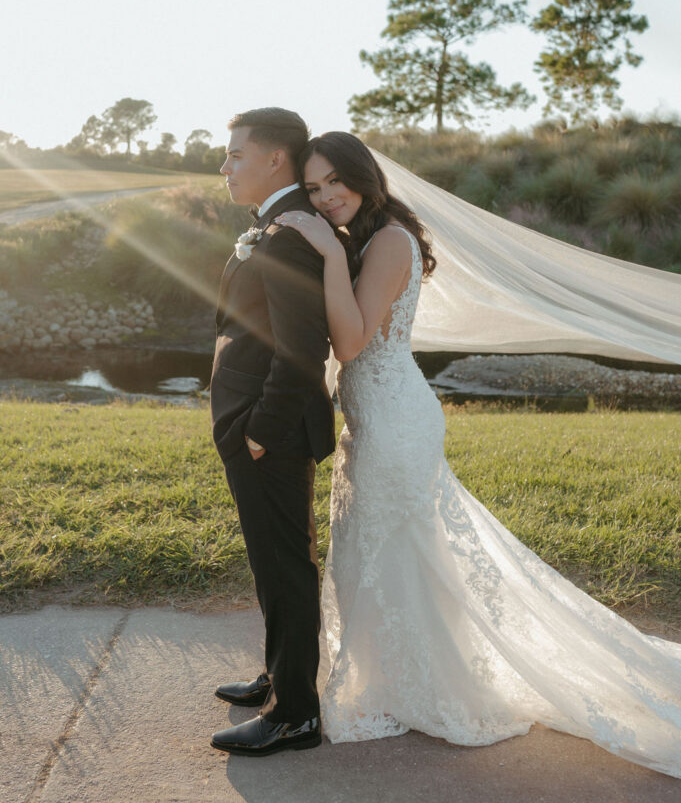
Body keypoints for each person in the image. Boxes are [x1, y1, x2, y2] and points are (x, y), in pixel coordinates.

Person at [275, 130, 681, 779]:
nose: (325, 198)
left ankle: (420, 686)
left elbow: (350, 342)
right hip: (378, 416)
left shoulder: (384, 242)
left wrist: (324, 253)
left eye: (335, 183)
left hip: (391, 421)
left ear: (363, 177)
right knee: (388, 551)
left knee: (392, 549)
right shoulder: (371, 237)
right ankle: (393, 677)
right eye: (314, 188)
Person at [210, 108, 335, 757]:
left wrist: (259, 431)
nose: (224, 166)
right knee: (269, 563)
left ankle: (295, 714)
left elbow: (301, 350)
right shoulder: (272, 227)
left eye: (234, 154)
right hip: (251, 427)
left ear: (275, 159)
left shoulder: (287, 238)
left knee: (286, 566)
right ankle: (275, 675)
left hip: (271, 435)